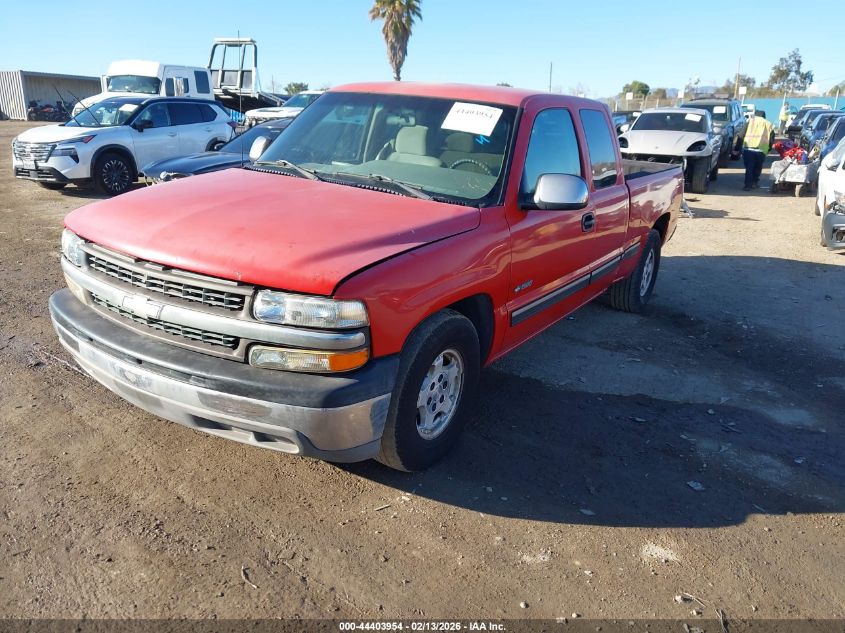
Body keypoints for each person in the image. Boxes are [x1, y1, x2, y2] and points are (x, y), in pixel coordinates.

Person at [742, 112, 774, 191]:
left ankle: (747, 185)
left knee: (749, 167)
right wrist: (769, 149)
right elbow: (771, 138)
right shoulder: (768, 124)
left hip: (748, 148)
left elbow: (741, 134)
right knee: (758, 167)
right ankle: (754, 182)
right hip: (761, 150)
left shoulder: (749, 121)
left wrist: (736, 148)